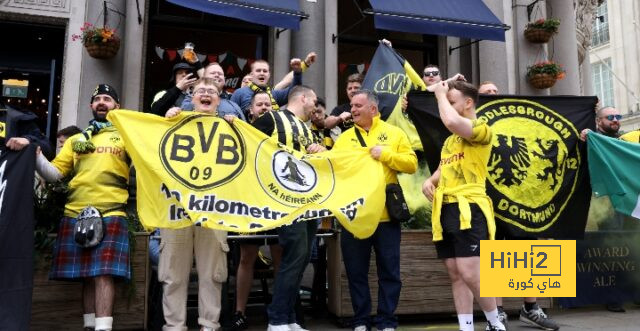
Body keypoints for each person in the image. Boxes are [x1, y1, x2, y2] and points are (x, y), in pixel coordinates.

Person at [34, 84, 130, 331]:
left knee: (103, 274)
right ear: (91, 105)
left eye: (107, 99)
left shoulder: (127, 135)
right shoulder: (76, 140)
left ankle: (103, 329)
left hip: (111, 211)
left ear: (116, 106)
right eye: (97, 98)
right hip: (75, 212)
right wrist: (34, 156)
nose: (102, 102)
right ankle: (89, 326)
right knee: (87, 276)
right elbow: (55, 174)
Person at [421, 81, 505, 331]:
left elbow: (451, 122)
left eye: (452, 100)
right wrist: (430, 180)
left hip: (469, 207)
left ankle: (495, 324)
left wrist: (438, 94)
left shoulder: (482, 129)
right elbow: (443, 167)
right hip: (445, 208)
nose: (447, 104)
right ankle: (466, 327)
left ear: (468, 103)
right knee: (456, 273)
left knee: (470, 272)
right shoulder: (450, 142)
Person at [333, 90, 417, 331]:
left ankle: (386, 320)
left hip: (386, 217)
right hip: (355, 217)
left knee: (390, 272)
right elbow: (333, 170)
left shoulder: (394, 133)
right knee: (355, 271)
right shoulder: (345, 138)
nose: (353, 109)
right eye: (351, 105)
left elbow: (411, 164)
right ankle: (360, 320)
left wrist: (386, 155)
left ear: (373, 108)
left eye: (358, 105)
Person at [480, 82, 560, 330]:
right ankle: (498, 312)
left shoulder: (518, 121)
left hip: (524, 200)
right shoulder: (472, 124)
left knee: (528, 254)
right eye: (487, 93)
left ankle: (531, 307)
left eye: (495, 91)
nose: (494, 94)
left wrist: (583, 126)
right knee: (496, 256)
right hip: (490, 201)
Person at [251, 85, 326, 331]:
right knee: (295, 254)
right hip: (285, 200)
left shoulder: (307, 128)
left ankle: (289, 318)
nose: (316, 107)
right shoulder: (272, 117)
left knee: (302, 257)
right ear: (303, 98)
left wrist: (319, 150)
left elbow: (315, 161)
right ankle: (277, 319)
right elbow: (247, 141)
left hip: (308, 202)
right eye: (314, 101)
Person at [161, 78, 230, 331]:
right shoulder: (173, 123)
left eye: (211, 91)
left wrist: (236, 128)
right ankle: (174, 326)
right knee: (173, 275)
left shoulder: (230, 128)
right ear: (191, 98)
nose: (206, 94)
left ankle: (209, 325)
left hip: (213, 210)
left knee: (213, 275)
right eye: (200, 90)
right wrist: (166, 118)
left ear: (218, 100)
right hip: (176, 209)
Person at [227, 91, 283, 331]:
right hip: (249, 203)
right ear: (250, 110)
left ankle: (282, 311)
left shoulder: (281, 131)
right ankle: (240, 312)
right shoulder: (241, 129)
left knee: (280, 257)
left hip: (277, 202)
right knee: (246, 258)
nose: (264, 107)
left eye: (268, 104)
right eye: (259, 104)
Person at [580, 106, 628, 313]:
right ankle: (610, 296)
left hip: (624, 202)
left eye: (618, 116)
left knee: (626, 247)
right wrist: (586, 136)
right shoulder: (592, 139)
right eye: (611, 117)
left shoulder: (625, 141)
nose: (615, 120)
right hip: (600, 203)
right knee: (608, 247)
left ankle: (627, 293)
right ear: (599, 121)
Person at [231, 57, 305, 114]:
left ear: (269, 75)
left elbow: (294, 91)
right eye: (258, 70)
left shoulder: (274, 94)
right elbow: (230, 113)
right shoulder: (239, 93)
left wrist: (297, 73)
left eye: (265, 71)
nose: (262, 73)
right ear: (252, 75)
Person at [179, 62, 246, 121]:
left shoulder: (234, 105)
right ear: (203, 77)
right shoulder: (190, 100)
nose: (217, 75)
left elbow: (245, 129)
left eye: (220, 74)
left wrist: (235, 123)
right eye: (213, 73)